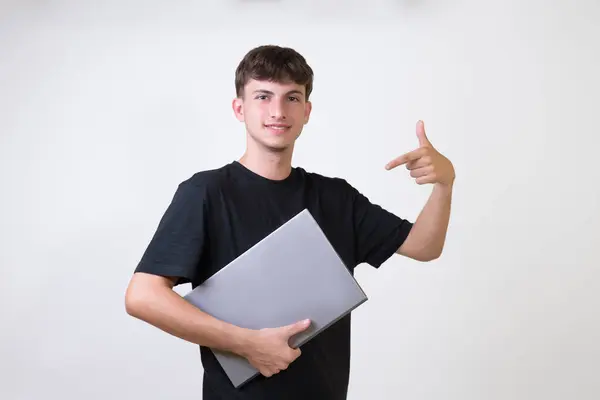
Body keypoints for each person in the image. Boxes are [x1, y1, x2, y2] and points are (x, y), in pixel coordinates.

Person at [125, 44, 455, 400]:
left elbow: (424, 246)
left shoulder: (336, 198)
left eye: (292, 98)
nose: (278, 111)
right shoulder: (206, 193)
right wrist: (248, 344)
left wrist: (444, 184)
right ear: (240, 108)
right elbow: (142, 296)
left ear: (307, 111)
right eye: (263, 96)